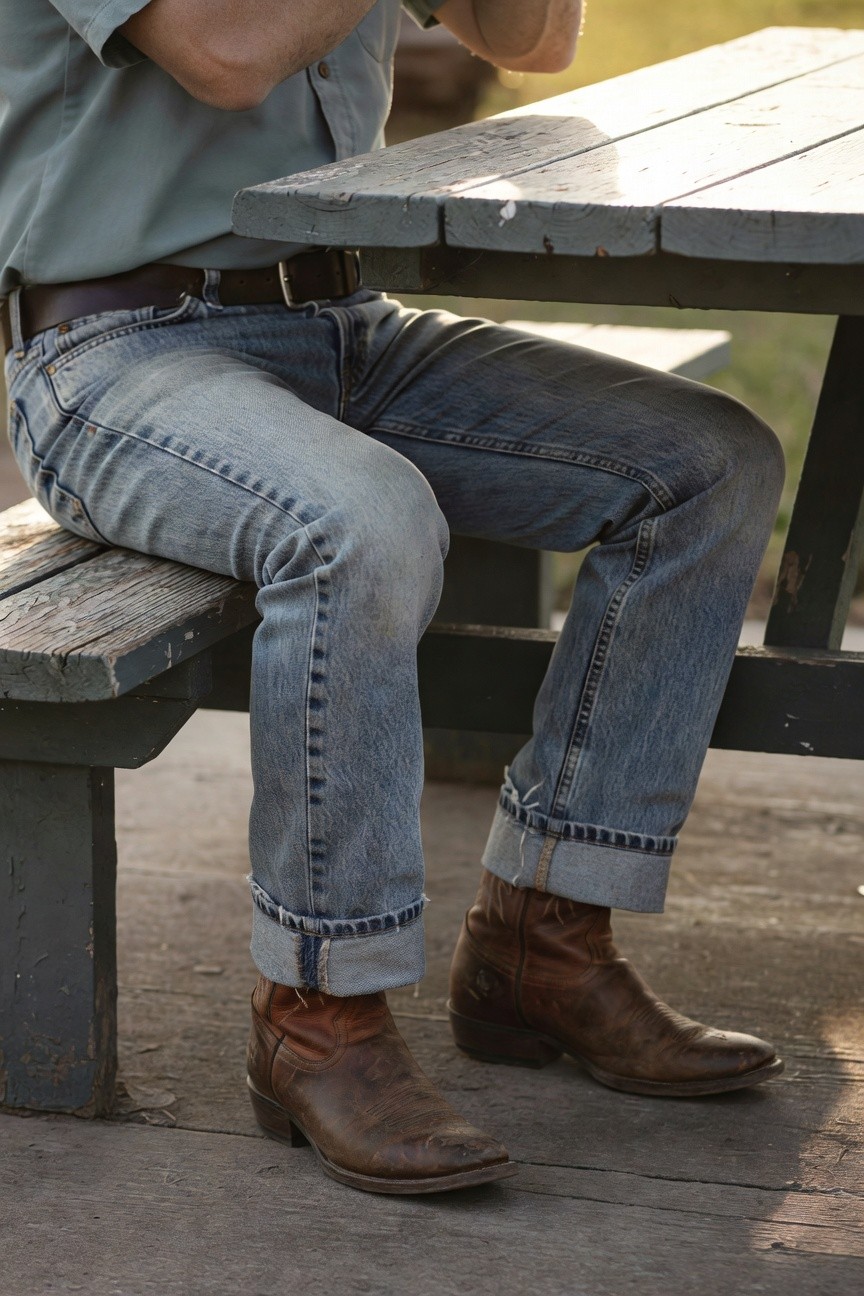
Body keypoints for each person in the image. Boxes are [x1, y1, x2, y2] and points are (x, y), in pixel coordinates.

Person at [0, 0, 786, 1195]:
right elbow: (223, 49)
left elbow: (532, 40)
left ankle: (546, 940)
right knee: (360, 523)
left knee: (707, 468)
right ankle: (318, 1012)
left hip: (338, 327)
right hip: (111, 353)